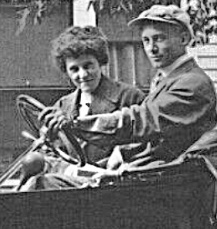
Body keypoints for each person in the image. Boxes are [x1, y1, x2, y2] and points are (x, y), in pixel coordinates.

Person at [82, 5, 217, 167]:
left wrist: (81, 125)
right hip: (155, 170)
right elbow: (152, 141)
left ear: (183, 39)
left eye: (159, 39)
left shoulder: (192, 83)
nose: (151, 49)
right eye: (146, 40)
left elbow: (144, 121)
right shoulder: (165, 79)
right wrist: (119, 155)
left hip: (175, 176)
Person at [37, 26, 144, 165]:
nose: (82, 74)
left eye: (88, 66)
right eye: (74, 69)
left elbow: (144, 146)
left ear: (100, 62)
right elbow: (54, 151)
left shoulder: (130, 97)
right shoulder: (63, 106)